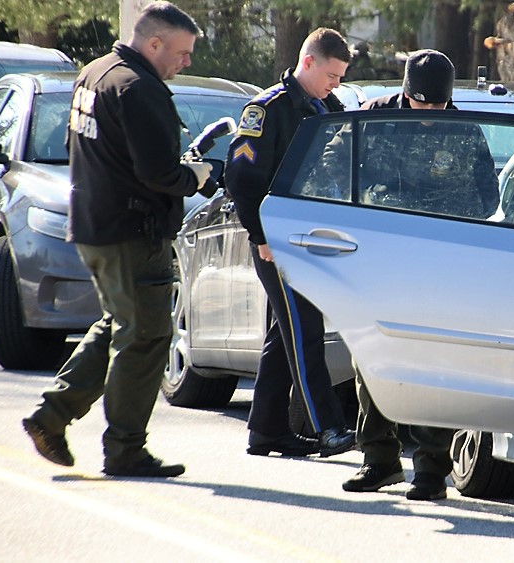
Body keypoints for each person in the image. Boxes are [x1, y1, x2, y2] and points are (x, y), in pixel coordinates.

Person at [22, 1, 213, 478]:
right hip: (131, 231)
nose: (185, 62)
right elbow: (159, 172)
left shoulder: (94, 73)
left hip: (93, 224)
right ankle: (125, 448)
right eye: (182, 52)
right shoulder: (137, 87)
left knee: (121, 324)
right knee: (147, 336)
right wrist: (196, 176)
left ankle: (52, 415)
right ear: (154, 44)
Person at [338, 49, 499, 500]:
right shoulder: (369, 120)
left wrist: (443, 216)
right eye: (420, 103)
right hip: (378, 258)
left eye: (437, 105)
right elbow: (330, 171)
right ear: (405, 91)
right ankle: (379, 460)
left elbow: (488, 198)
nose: (429, 113)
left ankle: (431, 469)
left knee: (433, 361)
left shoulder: (465, 130)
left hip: (439, 263)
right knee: (370, 354)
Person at [224, 28, 356, 458]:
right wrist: (260, 236)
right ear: (308, 63)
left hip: (313, 239)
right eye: (332, 74)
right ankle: (329, 428)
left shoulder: (327, 108)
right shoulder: (267, 111)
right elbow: (242, 180)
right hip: (277, 241)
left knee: (286, 336)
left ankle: (266, 430)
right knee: (305, 331)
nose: (336, 84)